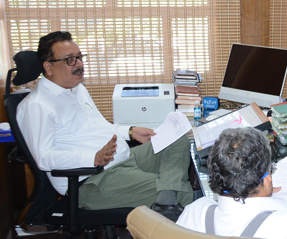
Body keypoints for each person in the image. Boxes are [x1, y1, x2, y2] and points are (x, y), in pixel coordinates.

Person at [17, 31, 192, 221]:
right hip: (93, 180)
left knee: (177, 140)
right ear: (48, 67)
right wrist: (92, 158)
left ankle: (166, 199)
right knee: (183, 193)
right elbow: (44, 157)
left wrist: (131, 132)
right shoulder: (36, 106)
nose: (79, 64)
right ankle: (170, 198)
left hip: (123, 159)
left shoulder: (76, 89)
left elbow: (99, 127)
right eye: (70, 60)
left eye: (79, 57)